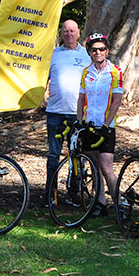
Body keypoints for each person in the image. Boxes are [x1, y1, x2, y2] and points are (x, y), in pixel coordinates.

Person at [76, 33, 125, 217]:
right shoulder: (86, 72)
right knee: (95, 166)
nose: (98, 52)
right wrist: (79, 122)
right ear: (89, 52)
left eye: (101, 49)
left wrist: (106, 124)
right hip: (89, 125)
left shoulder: (115, 72)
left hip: (106, 126)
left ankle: (118, 204)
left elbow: (117, 100)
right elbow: (81, 99)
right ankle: (100, 203)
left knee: (106, 166)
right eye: (94, 49)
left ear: (107, 51)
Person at [42, 19, 90, 206]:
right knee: (53, 155)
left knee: (77, 156)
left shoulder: (87, 56)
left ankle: (73, 193)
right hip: (55, 113)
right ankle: (50, 194)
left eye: (72, 31)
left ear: (79, 33)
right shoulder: (52, 55)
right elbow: (41, 80)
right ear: (61, 34)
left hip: (77, 115)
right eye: (65, 31)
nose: (68, 34)